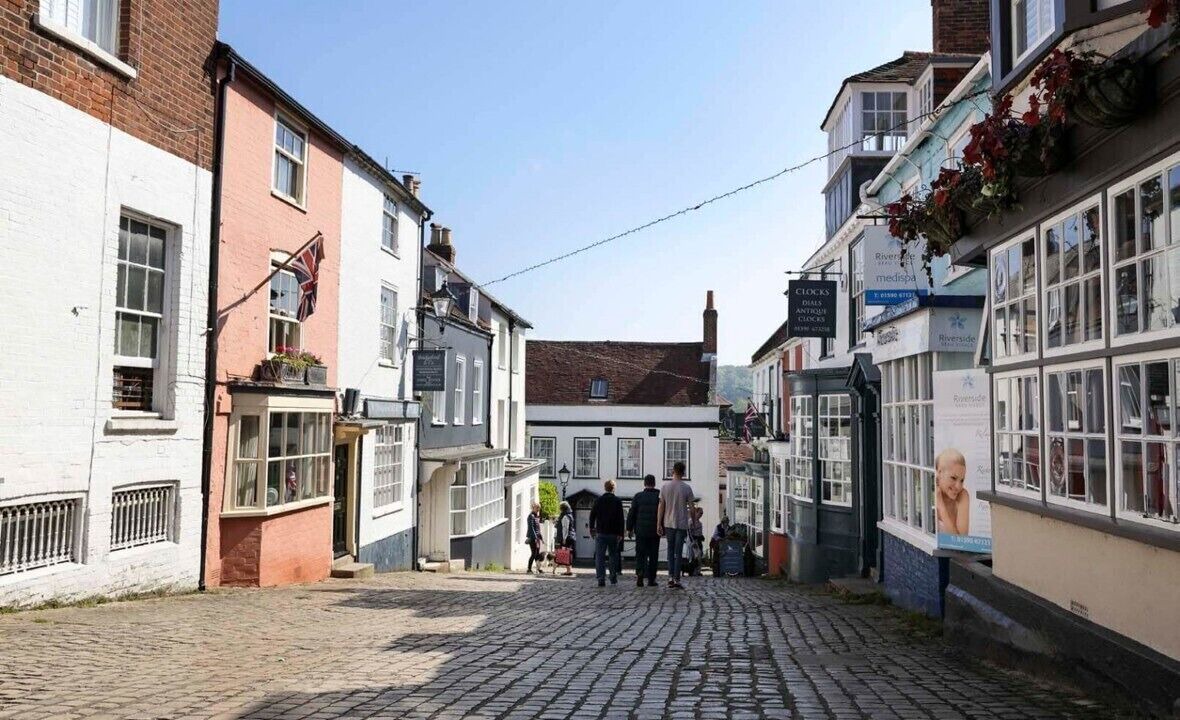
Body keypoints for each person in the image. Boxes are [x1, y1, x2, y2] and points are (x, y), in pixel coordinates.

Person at [656, 461, 695, 589]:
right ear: (683, 472)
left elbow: (661, 506)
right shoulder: (686, 488)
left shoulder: (665, 487)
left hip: (668, 522)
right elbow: (692, 508)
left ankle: (670, 577)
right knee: (678, 552)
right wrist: (694, 522)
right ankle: (677, 579)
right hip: (682, 523)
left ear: (673, 471)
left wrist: (658, 523)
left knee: (670, 550)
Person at [626, 474, 661, 587]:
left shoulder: (638, 496)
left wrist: (629, 528)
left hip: (640, 531)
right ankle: (651, 579)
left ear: (645, 483)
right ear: (654, 483)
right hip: (654, 531)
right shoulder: (659, 497)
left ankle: (640, 575)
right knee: (653, 555)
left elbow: (631, 514)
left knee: (640, 554)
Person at [589, 479, 625, 587]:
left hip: (601, 532)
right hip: (613, 533)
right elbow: (621, 519)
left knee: (600, 557)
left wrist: (591, 528)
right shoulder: (617, 501)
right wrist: (621, 533)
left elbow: (592, 515)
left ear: (605, 488)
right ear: (614, 488)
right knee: (613, 556)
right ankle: (613, 577)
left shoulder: (598, 500)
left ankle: (601, 578)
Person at [935, 448, 971, 535]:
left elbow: (961, 542)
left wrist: (940, 505)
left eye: (962, 480)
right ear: (940, 472)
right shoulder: (928, 490)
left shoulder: (962, 495)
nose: (958, 486)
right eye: (953, 478)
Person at [554, 501, 576, 576]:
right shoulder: (569, 515)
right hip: (570, 536)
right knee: (568, 553)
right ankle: (569, 569)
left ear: (562, 508)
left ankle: (568, 570)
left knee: (566, 553)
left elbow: (565, 528)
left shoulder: (565, 516)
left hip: (567, 537)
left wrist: (564, 538)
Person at [685, 506, 705, 576]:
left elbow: (700, 533)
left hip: (698, 540)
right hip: (692, 540)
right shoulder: (690, 521)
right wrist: (692, 541)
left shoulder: (700, 523)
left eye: (702, 513)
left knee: (699, 555)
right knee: (692, 556)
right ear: (696, 513)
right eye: (700, 513)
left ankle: (698, 571)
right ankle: (691, 571)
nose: (701, 515)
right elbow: (688, 532)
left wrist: (702, 537)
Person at [525, 501, 544, 573]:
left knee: (537, 554)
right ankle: (529, 569)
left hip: (537, 538)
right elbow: (531, 528)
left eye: (539, 508)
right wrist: (535, 537)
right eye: (537, 507)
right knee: (534, 553)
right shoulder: (531, 516)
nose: (538, 509)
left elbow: (538, 529)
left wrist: (541, 538)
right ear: (533, 508)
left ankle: (538, 569)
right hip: (533, 538)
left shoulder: (536, 516)